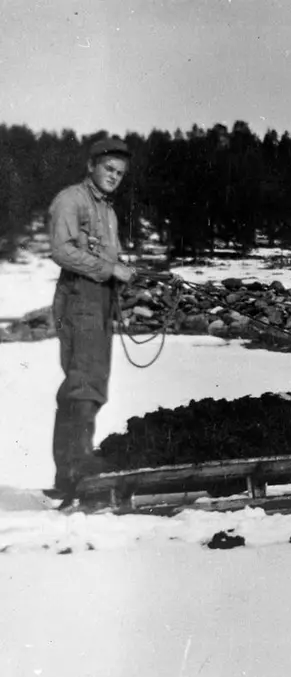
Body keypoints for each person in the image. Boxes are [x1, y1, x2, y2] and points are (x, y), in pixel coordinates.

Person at [48, 137, 136, 495]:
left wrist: (120, 274)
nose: (114, 177)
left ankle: (75, 467)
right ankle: (74, 470)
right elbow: (62, 251)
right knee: (82, 383)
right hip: (78, 299)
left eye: (120, 173)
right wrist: (110, 269)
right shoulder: (72, 200)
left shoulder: (107, 210)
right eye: (108, 169)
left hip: (98, 301)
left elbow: (105, 259)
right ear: (91, 166)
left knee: (94, 383)